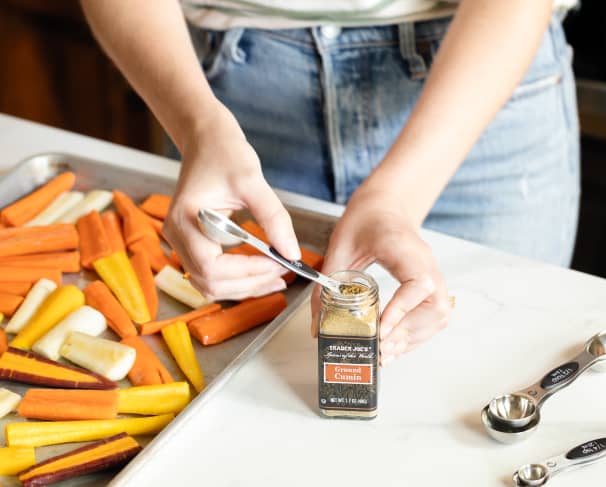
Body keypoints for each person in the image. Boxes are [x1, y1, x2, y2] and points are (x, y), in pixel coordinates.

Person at [81, 0, 579, 366]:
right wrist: (198, 126)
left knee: (501, 375)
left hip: (475, 83)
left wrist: (396, 199)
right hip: (221, 92)